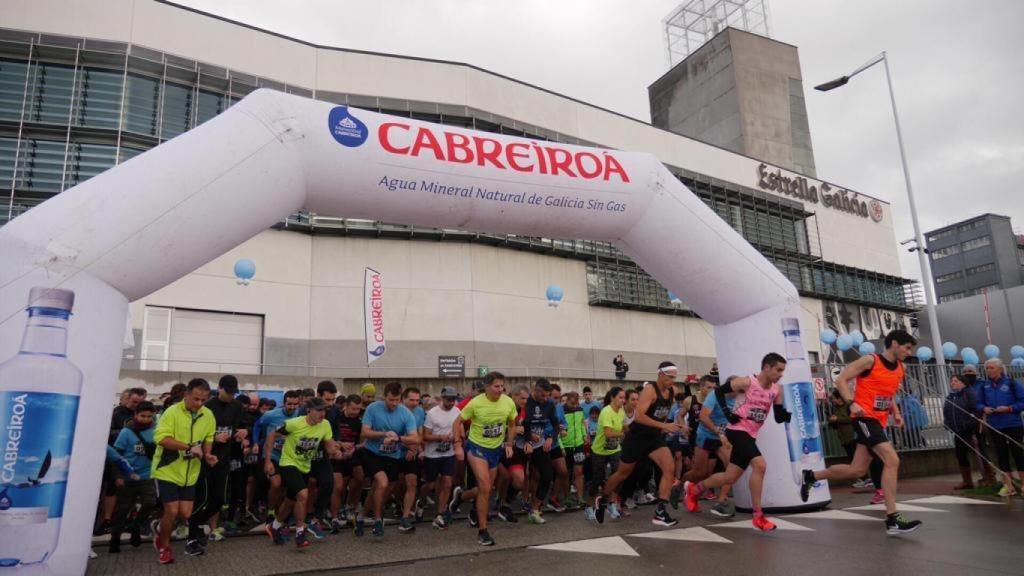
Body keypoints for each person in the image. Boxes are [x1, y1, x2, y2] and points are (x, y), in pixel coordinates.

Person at [798, 329, 922, 535]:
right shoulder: (870, 361)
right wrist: (851, 403)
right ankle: (893, 518)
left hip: (879, 420)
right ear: (894, 344)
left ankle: (811, 476)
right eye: (907, 348)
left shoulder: (901, 367)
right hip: (864, 418)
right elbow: (841, 380)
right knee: (892, 460)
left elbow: (888, 393)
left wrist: (896, 412)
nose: (909, 352)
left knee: (857, 470)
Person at [684, 357, 792, 532]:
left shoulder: (776, 390)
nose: (781, 374)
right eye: (778, 370)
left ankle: (694, 490)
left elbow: (779, 418)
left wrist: (787, 415)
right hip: (737, 431)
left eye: (783, 370)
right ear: (766, 367)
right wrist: (728, 414)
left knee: (730, 477)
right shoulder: (747, 382)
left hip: (751, 434)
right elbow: (719, 392)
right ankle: (758, 516)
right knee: (760, 465)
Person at [595, 361, 682, 527]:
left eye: (674, 377)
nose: (672, 380)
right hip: (637, 436)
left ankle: (660, 512)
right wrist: (664, 425)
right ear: (661, 374)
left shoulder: (672, 391)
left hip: (654, 437)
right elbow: (639, 416)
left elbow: (661, 414)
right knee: (622, 474)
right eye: (670, 377)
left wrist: (668, 428)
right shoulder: (650, 390)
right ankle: (603, 498)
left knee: (669, 468)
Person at [151, 379, 216, 564]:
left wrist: (208, 454)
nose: (199, 403)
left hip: (190, 473)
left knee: (185, 514)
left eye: (203, 400)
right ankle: (164, 547)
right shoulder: (172, 412)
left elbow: (209, 436)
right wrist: (188, 447)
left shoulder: (208, 414)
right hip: (167, 469)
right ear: (186, 395)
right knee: (171, 511)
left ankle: (159, 527)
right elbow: (161, 438)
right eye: (196, 399)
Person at [264, 397, 342, 549]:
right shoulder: (294, 423)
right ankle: (300, 533)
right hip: (288, 463)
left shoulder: (325, 425)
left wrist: (337, 451)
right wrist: (267, 461)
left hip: (305, 466)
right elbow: (272, 435)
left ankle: (274, 526)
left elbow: (329, 445)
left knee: (290, 501)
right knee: (303, 495)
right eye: (318, 410)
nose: (322, 414)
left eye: (324, 410)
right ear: (309, 410)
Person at [451, 371, 518, 546]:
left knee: (486, 489)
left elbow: (512, 423)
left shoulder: (508, 402)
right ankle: (483, 531)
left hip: (495, 449)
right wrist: (458, 444)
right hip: (476, 448)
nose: (500, 390)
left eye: (503, 386)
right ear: (487, 387)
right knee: (486, 487)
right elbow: (456, 422)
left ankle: (460, 497)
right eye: (497, 386)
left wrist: (509, 444)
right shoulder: (476, 403)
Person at [187, 375, 245, 548]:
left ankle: (202, 525)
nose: (231, 396)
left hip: (224, 458)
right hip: (205, 458)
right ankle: (194, 528)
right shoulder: (207, 406)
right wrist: (213, 437)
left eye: (234, 393)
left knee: (220, 499)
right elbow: (195, 432)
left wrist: (243, 432)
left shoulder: (237, 406)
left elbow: (242, 425)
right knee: (202, 497)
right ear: (219, 388)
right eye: (228, 392)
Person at [357, 382, 419, 537]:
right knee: (382, 482)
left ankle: (361, 516)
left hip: (393, 455)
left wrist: (397, 438)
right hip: (372, 453)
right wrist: (383, 434)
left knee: (381, 489)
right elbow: (365, 432)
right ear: (384, 397)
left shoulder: (405, 413)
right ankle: (378, 520)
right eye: (391, 400)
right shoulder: (373, 408)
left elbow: (415, 438)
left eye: (397, 400)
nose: (394, 403)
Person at [681, 376, 734, 518]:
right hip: (702, 437)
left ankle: (721, 500)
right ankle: (682, 484)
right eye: (708, 387)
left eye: (713, 387)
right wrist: (683, 426)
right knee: (700, 472)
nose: (711, 390)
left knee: (732, 468)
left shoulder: (735, 398)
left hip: (720, 438)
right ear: (701, 387)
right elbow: (692, 416)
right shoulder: (692, 400)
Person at [108, 401, 158, 554]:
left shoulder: (157, 430)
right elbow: (116, 456)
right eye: (143, 416)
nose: (146, 419)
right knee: (122, 511)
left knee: (150, 502)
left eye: (150, 416)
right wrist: (118, 476)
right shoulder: (126, 432)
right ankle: (115, 539)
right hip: (128, 477)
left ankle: (136, 526)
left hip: (147, 476)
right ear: (135, 414)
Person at [976, 358, 1024, 497]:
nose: (989, 370)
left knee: (1018, 454)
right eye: (987, 368)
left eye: (991, 368)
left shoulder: (1012, 383)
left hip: (1013, 424)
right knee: (1001, 456)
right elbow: (978, 403)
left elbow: (1022, 401)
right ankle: (1008, 486)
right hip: (995, 425)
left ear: (1000, 369)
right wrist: (984, 408)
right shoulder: (985, 386)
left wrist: (1009, 408)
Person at [253, 390, 302, 524]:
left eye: (295, 404)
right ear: (283, 403)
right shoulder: (271, 414)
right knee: (276, 484)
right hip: (272, 454)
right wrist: (256, 442)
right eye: (289, 404)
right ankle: (269, 511)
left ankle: (279, 513)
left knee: (286, 488)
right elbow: (257, 425)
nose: (292, 407)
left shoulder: (300, 415)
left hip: (288, 456)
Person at [421, 387, 461, 529]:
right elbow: (425, 436)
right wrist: (440, 437)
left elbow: (459, 430)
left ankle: (439, 514)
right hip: (432, 454)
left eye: (453, 400)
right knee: (430, 484)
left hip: (448, 453)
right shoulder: (432, 413)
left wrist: (456, 439)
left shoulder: (457, 411)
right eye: (448, 400)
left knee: (447, 483)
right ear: (442, 398)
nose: (451, 402)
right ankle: (421, 501)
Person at [586, 387, 625, 522]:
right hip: (599, 450)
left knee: (618, 477)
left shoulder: (621, 412)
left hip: (615, 449)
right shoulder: (606, 411)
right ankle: (589, 506)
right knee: (597, 479)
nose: (623, 400)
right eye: (620, 397)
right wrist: (624, 433)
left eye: (624, 398)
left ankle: (612, 504)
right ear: (613, 398)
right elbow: (608, 433)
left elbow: (626, 427)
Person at [329, 395, 364, 532]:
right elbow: (328, 437)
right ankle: (334, 518)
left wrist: (354, 448)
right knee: (338, 486)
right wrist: (338, 447)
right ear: (346, 406)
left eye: (358, 409)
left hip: (352, 453)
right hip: (335, 454)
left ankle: (350, 507)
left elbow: (363, 441)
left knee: (360, 477)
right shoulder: (336, 417)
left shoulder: (360, 421)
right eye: (353, 408)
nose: (356, 412)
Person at [944, 374, 980, 489]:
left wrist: (968, 424)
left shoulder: (969, 393)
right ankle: (967, 482)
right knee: (960, 455)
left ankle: (989, 478)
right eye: (951, 381)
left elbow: (976, 411)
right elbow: (947, 412)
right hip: (958, 431)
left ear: (963, 382)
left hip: (970, 430)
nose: (952, 383)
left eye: (956, 381)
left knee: (980, 454)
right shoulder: (950, 397)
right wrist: (947, 423)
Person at [397, 387, 425, 532]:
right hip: (394, 453)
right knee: (394, 483)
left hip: (411, 453)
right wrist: (409, 446)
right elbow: (393, 435)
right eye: (411, 400)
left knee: (412, 483)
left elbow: (420, 434)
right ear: (403, 399)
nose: (414, 403)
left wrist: (415, 447)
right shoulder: (397, 411)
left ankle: (405, 517)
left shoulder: (420, 412)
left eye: (417, 400)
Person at [560, 391, 589, 508]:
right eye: (572, 404)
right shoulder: (561, 411)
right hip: (566, 446)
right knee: (566, 473)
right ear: (567, 401)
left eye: (576, 403)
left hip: (579, 445)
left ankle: (580, 498)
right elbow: (558, 429)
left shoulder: (580, 410)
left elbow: (581, 424)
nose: (575, 406)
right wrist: (561, 446)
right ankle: (567, 498)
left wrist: (584, 435)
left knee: (579, 472)